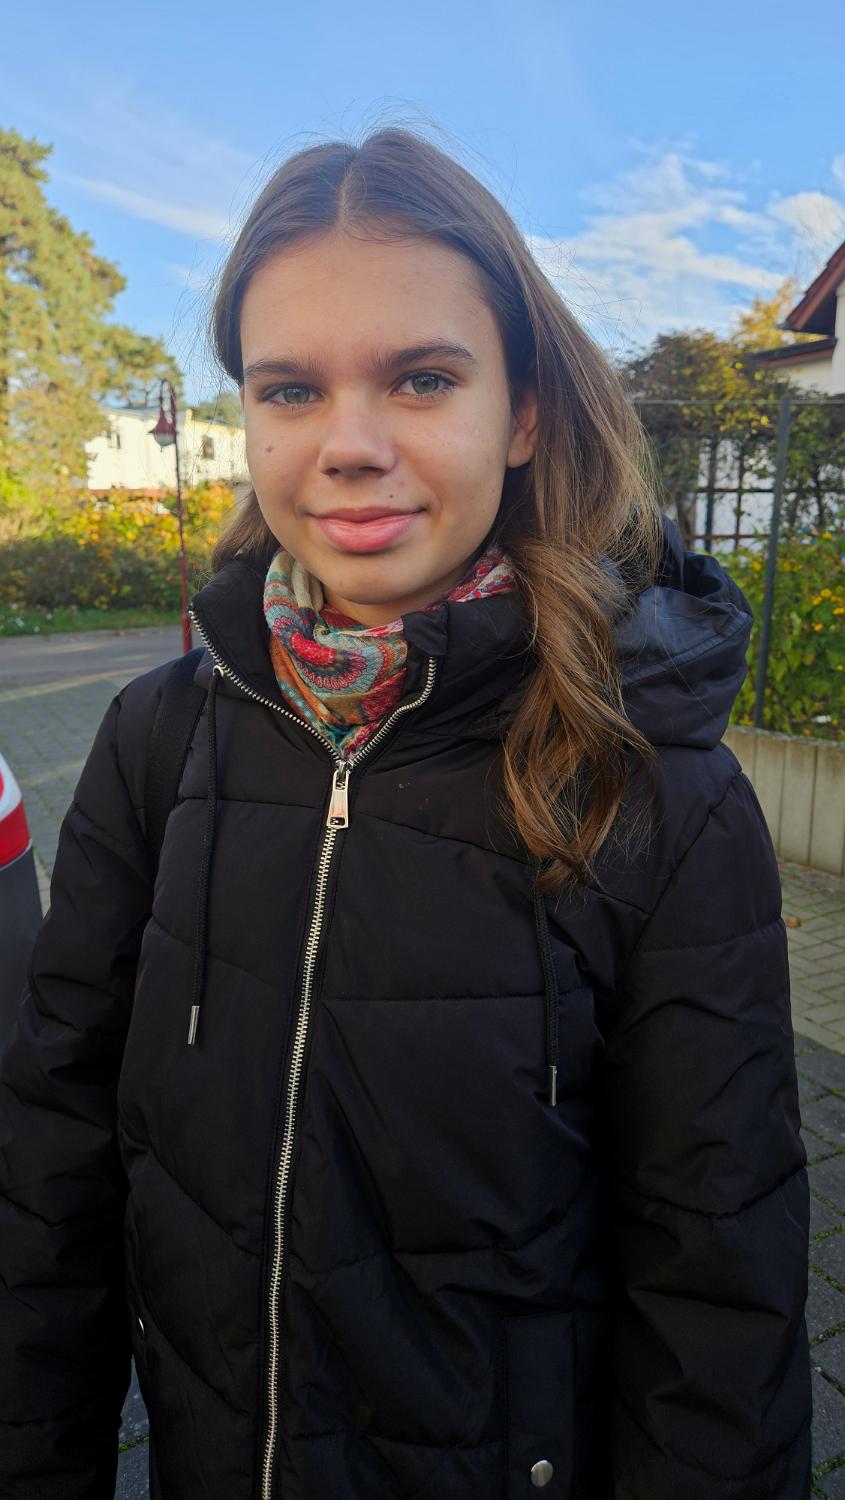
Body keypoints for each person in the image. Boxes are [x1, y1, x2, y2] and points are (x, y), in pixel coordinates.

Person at [0, 127, 811, 1500]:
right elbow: (50, 1162)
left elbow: (717, 1273)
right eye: (291, 388)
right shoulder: (157, 739)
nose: (349, 447)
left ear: (525, 414)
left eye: (422, 379)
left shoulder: (653, 787)